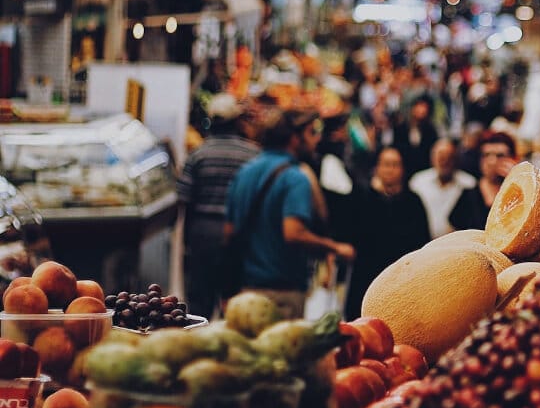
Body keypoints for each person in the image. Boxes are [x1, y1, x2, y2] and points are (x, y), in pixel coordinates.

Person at [224, 109, 355, 318]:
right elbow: (294, 233)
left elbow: (229, 231)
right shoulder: (295, 178)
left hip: (246, 293)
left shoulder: (245, 172)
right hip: (282, 295)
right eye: (312, 132)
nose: (317, 139)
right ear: (295, 138)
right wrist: (335, 247)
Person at [177, 94, 260, 319]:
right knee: (235, 302)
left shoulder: (198, 154)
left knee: (199, 302)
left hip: (202, 234)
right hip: (240, 235)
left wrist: (184, 241)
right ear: (236, 121)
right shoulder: (252, 155)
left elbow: (184, 199)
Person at [343, 147, 431, 318]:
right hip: (365, 277)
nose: (390, 169)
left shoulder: (413, 201)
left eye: (395, 165)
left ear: (403, 169)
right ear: (377, 168)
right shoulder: (362, 197)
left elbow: (422, 242)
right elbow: (349, 235)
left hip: (401, 280)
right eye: (386, 164)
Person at [448, 131, 516, 231]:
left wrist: (517, 178)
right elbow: (452, 233)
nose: (492, 161)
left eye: (500, 155)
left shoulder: (516, 194)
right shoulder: (468, 195)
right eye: (486, 155)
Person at [409, 139, 476, 238]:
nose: (445, 161)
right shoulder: (418, 182)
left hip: (457, 245)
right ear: (432, 158)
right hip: (421, 244)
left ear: (456, 159)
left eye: (449, 157)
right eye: (441, 157)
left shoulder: (469, 184)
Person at [396, 95, 440, 178]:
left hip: (424, 172)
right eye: (419, 107)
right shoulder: (400, 129)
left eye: (424, 107)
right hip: (404, 171)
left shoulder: (431, 131)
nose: (422, 110)